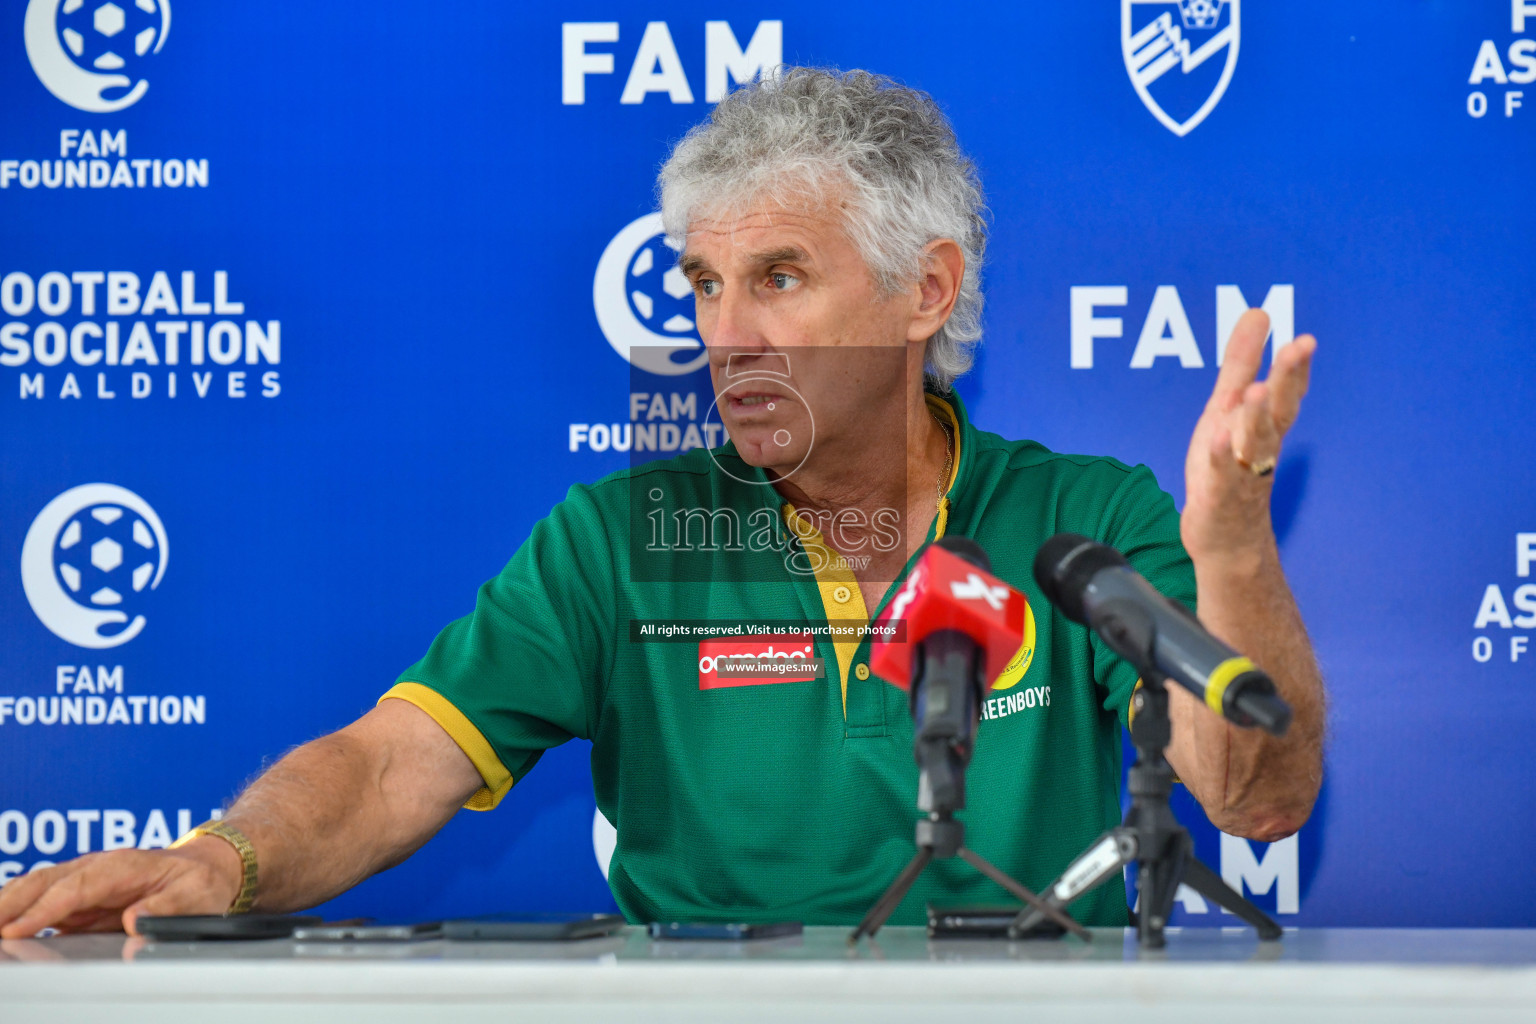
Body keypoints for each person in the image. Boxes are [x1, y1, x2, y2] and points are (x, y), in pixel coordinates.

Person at [0, 68, 1324, 938]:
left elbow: (1257, 799)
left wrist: (1231, 543)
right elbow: (393, 762)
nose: (723, 334)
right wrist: (225, 862)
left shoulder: (1076, 516)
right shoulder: (621, 540)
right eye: (702, 283)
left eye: (781, 278)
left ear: (925, 293)